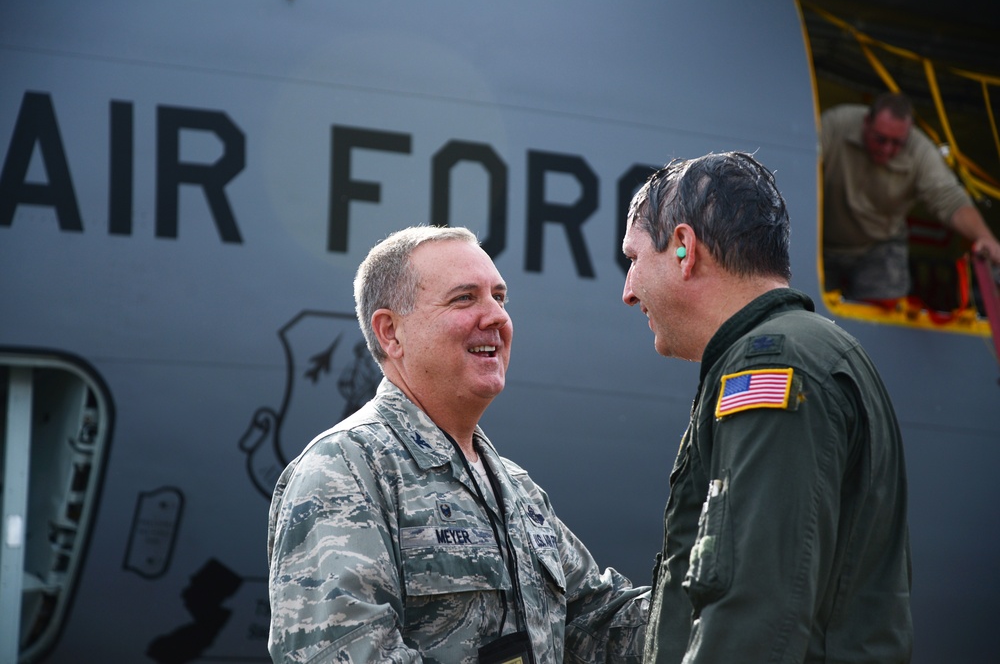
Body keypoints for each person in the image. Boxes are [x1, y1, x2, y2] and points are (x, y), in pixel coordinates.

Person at [267, 225, 648, 663]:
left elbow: (599, 627)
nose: (496, 317)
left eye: (499, 298)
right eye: (464, 298)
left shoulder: (516, 489)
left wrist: (722, 583)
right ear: (390, 332)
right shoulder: (345, 470)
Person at [621, 152, 912, 662]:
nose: (628, 291)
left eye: (634, 259)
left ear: (684, 249)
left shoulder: (773, 366)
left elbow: (755, 612)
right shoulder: (803, 353)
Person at [821, 91, 1000, 307]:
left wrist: (985, 238)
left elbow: (949, 199)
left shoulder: (920, 150)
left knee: (884, 319)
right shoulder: (836, 124)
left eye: (897, 143)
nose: (887, 149)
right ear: (866, 122)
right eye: (880, 139)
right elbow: (798, 168)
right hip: (822, 242)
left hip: (879, 247)